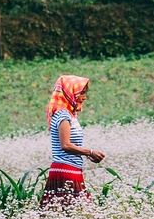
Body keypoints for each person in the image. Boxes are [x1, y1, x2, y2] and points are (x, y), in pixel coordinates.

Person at [40, 75, 105, 208]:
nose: (84, 97)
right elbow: (65, 145)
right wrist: (90, 152)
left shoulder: (69, 115)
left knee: (68, 216)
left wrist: (87, 154)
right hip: (65, 171)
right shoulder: (63, 116)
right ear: (70, 93)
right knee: (82, 215)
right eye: (81, 93)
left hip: (70, 169)